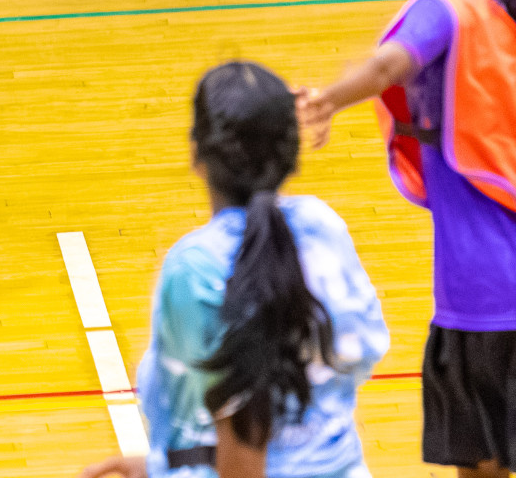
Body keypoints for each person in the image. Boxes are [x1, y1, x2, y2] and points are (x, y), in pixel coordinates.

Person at [298, 0, 516, 478]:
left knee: (480, 466)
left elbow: (391, 63)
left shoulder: (446, 10)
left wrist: (326, 99)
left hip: (481, 297)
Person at [82, 62, 389, 478]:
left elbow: (244, 449)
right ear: (290, 156)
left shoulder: (195, 269)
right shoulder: (324, 228)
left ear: (198, 155)